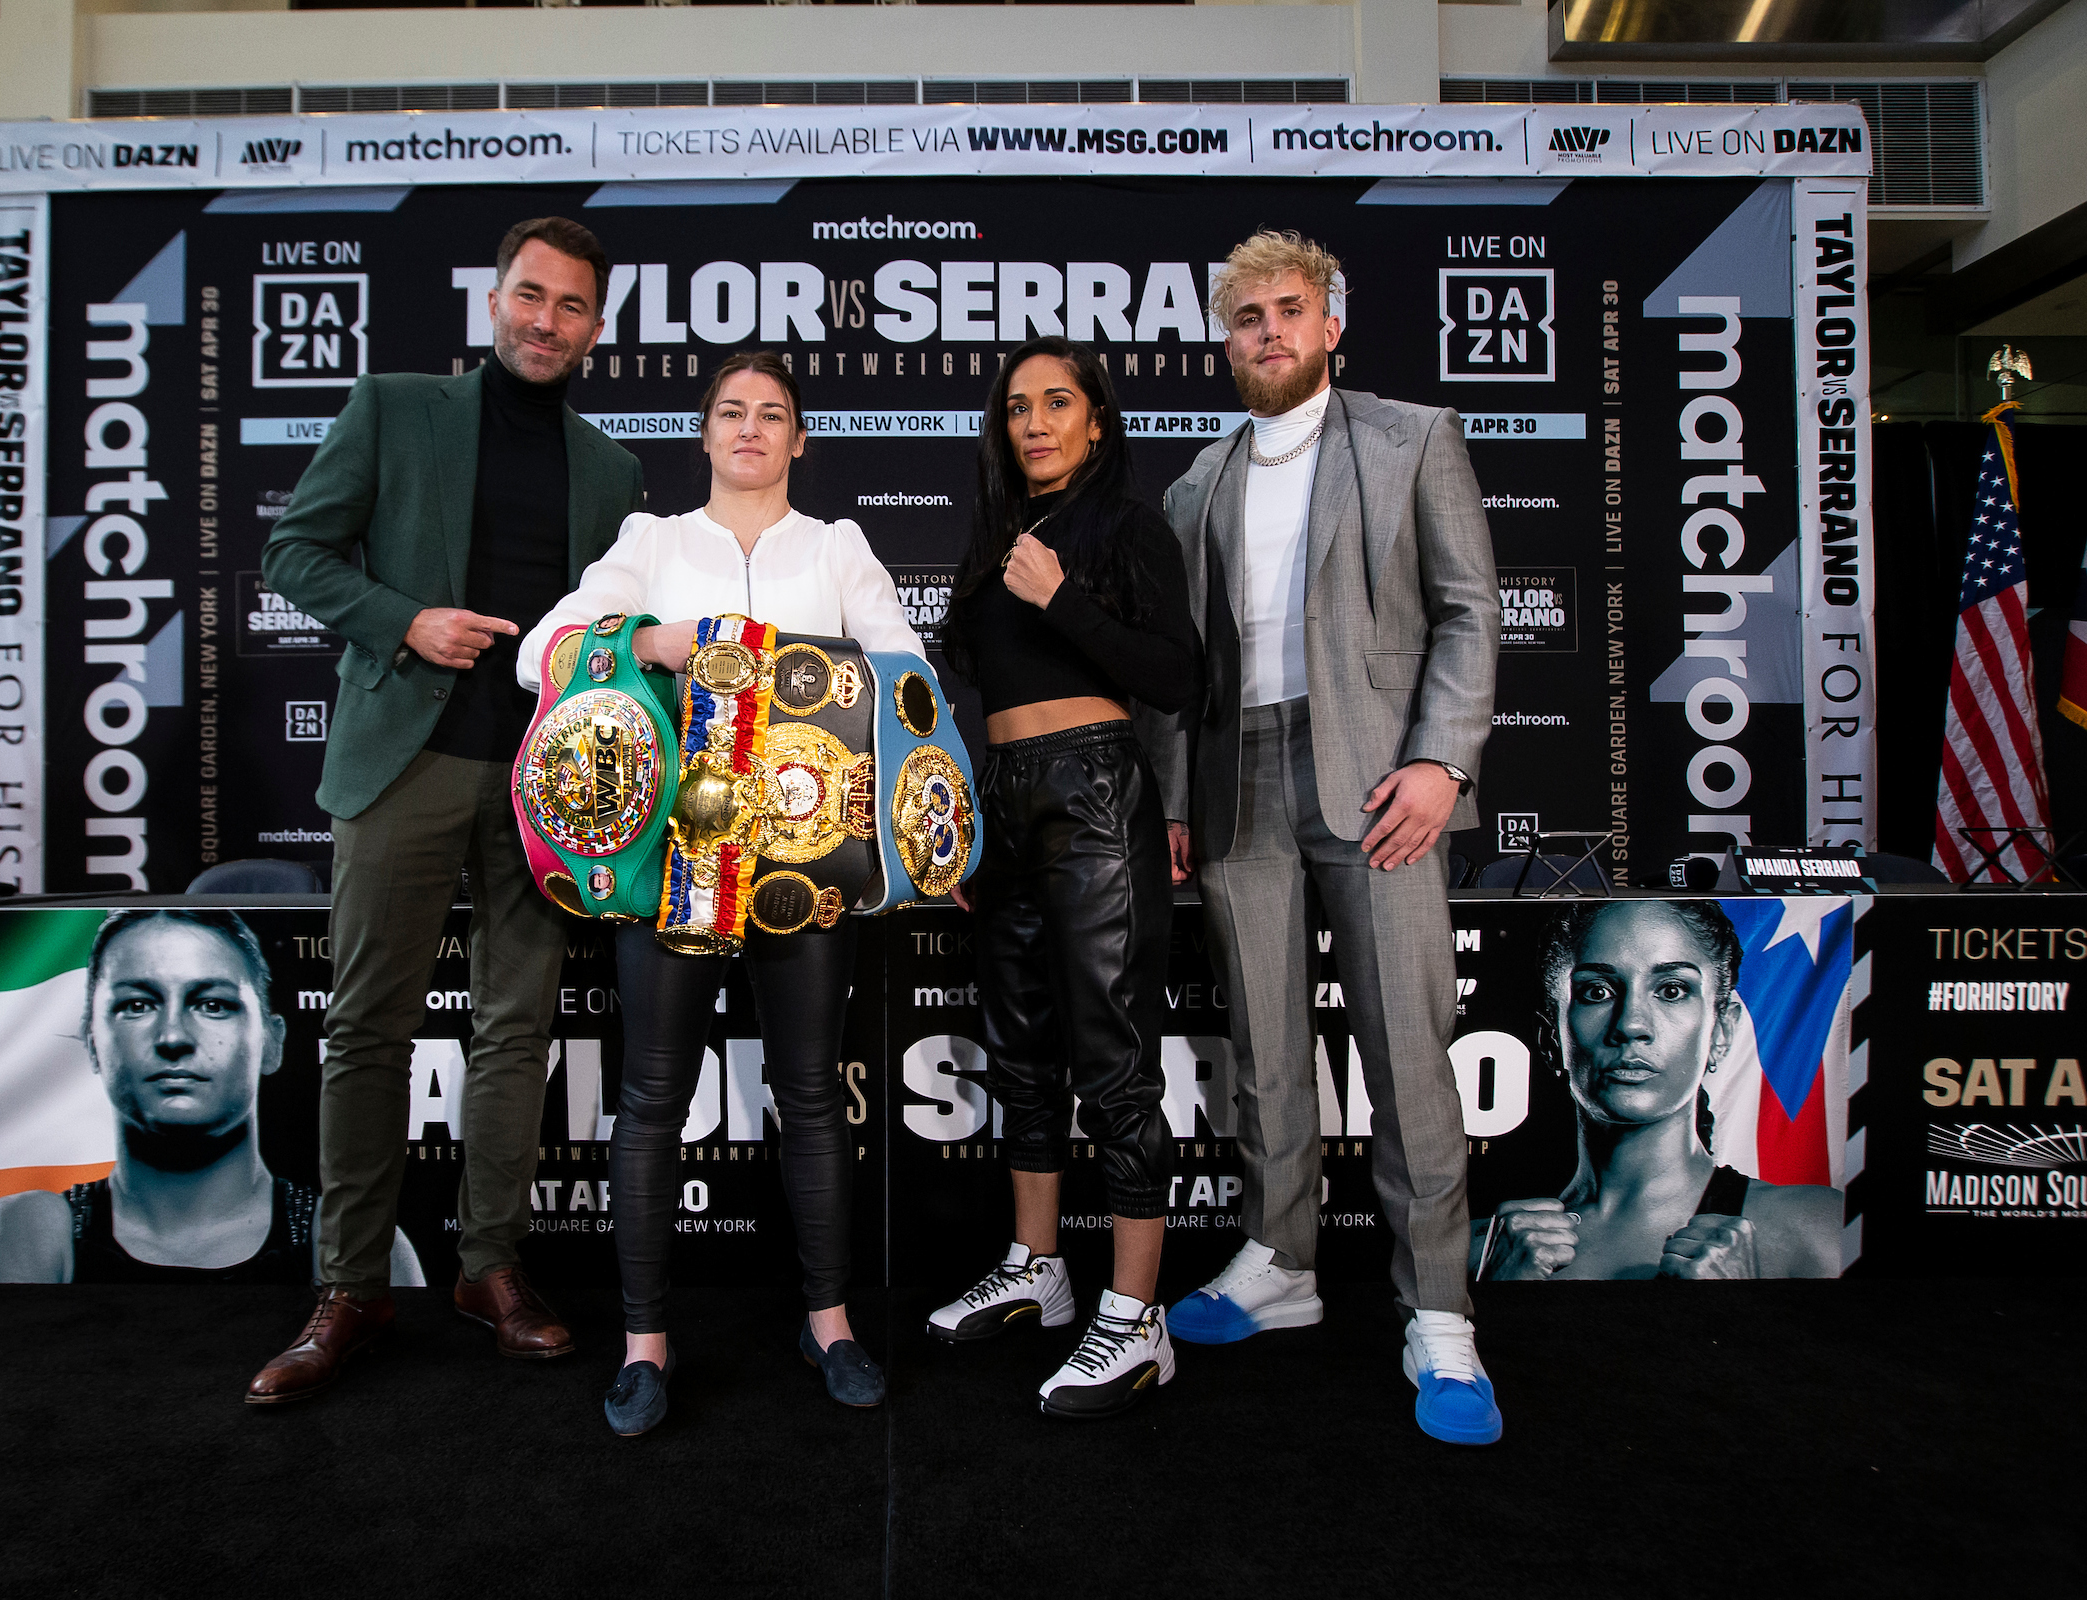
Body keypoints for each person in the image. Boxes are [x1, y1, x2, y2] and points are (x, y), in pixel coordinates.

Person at [253, 216, 643, 1405]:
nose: (547, 321)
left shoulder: (614, 472)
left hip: (545, 782)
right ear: (494, 298)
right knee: (368, 1027)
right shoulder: (393, 406)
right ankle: (350, 1286)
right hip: (403, 760)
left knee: (514, 1032)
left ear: (596, 326)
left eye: (572, 306)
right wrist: (403, 620)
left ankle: (488, 1268)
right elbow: (291, 553)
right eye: (531, 295)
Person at [514, 350, 924, 1437]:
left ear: (800, 440)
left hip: (805, 866)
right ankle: (645, 1343)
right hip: (678, 860)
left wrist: (827, 681)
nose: (750, 427)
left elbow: (906, 671)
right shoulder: (653, 544)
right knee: (652, 1101)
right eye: (731, 411)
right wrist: (650, 643)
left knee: (809, 1094)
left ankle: (828, 1323)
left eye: (773, 413)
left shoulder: (838, 548)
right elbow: (540, 656)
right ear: (703, 435)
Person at [1145, 230, 1505, 1446]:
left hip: (1378, 777)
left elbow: (1467, 611)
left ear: (1331, 323)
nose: (1268, 333)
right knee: (1262, 1043)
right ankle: (1278, 1259)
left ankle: (1440, 1309)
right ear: (1225, 338)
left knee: (1410, 1045)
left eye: (1289, 310)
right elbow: (1180, 671)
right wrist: (1180, 797)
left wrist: (1440, 761)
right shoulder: (1198, 481)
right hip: (1237, 771)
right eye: (1246, 317)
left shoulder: (1413, 437)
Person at [926, 336, 1200, 1420]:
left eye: (1057, 402)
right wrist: (963, 828)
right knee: (1021, 1050)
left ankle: (1137, 1322)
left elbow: (1177, 676)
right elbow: (967, 695)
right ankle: (1037, 1267)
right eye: (1016, 408)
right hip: (1005, 799)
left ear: (1096, 419)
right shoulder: (995, 540)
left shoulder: (1127, 528)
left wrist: (1064, 598)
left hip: (1095, 792)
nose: (1034, 421)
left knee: (1116, 1062)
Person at [0, 910, 423, 1284]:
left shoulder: (349, 1238)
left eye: (213, 1004)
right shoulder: (30, 1233)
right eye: (137, 1004)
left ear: (272, 1042)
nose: (173, 1037)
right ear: (92, 1043)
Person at [1477, 899, 1842, 1280]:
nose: (1631, 1024)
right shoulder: (1483, 1250)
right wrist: (1500, 1297)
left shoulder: (1817, 1228)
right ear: (1552, 1038)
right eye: (1597, 991)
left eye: (1671, 990)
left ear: (1721, 1032)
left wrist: (1741, 1308)